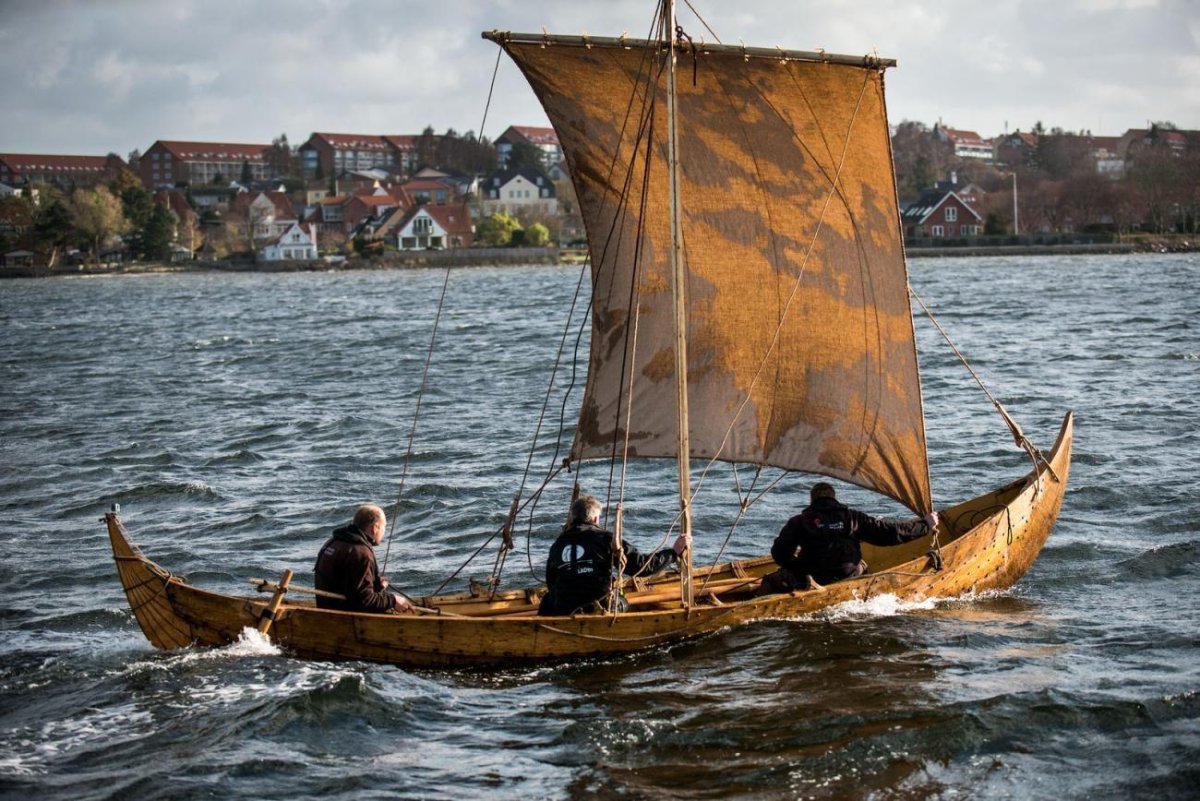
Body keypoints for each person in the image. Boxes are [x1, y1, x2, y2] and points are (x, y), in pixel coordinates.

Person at [760, 482, 939, 593]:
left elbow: (779, 554)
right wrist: (925, 525)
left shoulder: (799, 522)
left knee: (771, 580)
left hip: (812, 578)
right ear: (834, 498)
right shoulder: (853, 517)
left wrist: (799, 568)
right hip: (848, 577)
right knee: (863, 565)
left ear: (812, 500)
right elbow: (890, 534)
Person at [538, 494, 690, 617]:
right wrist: (673, 552)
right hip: (599, 605)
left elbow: (550, 582)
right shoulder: (605, 539)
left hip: (562, 607)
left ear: (572, 517)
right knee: (622, 601)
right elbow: (641, 566)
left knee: (547, 601)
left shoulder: (557, 544)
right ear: (596, 519)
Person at [314, 504, 412, 614]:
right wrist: (393, 600)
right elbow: (364, 601)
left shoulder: (333, 542)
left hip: (325, 610)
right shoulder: (361, 553)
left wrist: (376, 584)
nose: (384, 532)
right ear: (375, 528)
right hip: (345, 618)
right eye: (384, 527)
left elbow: (346, 583)